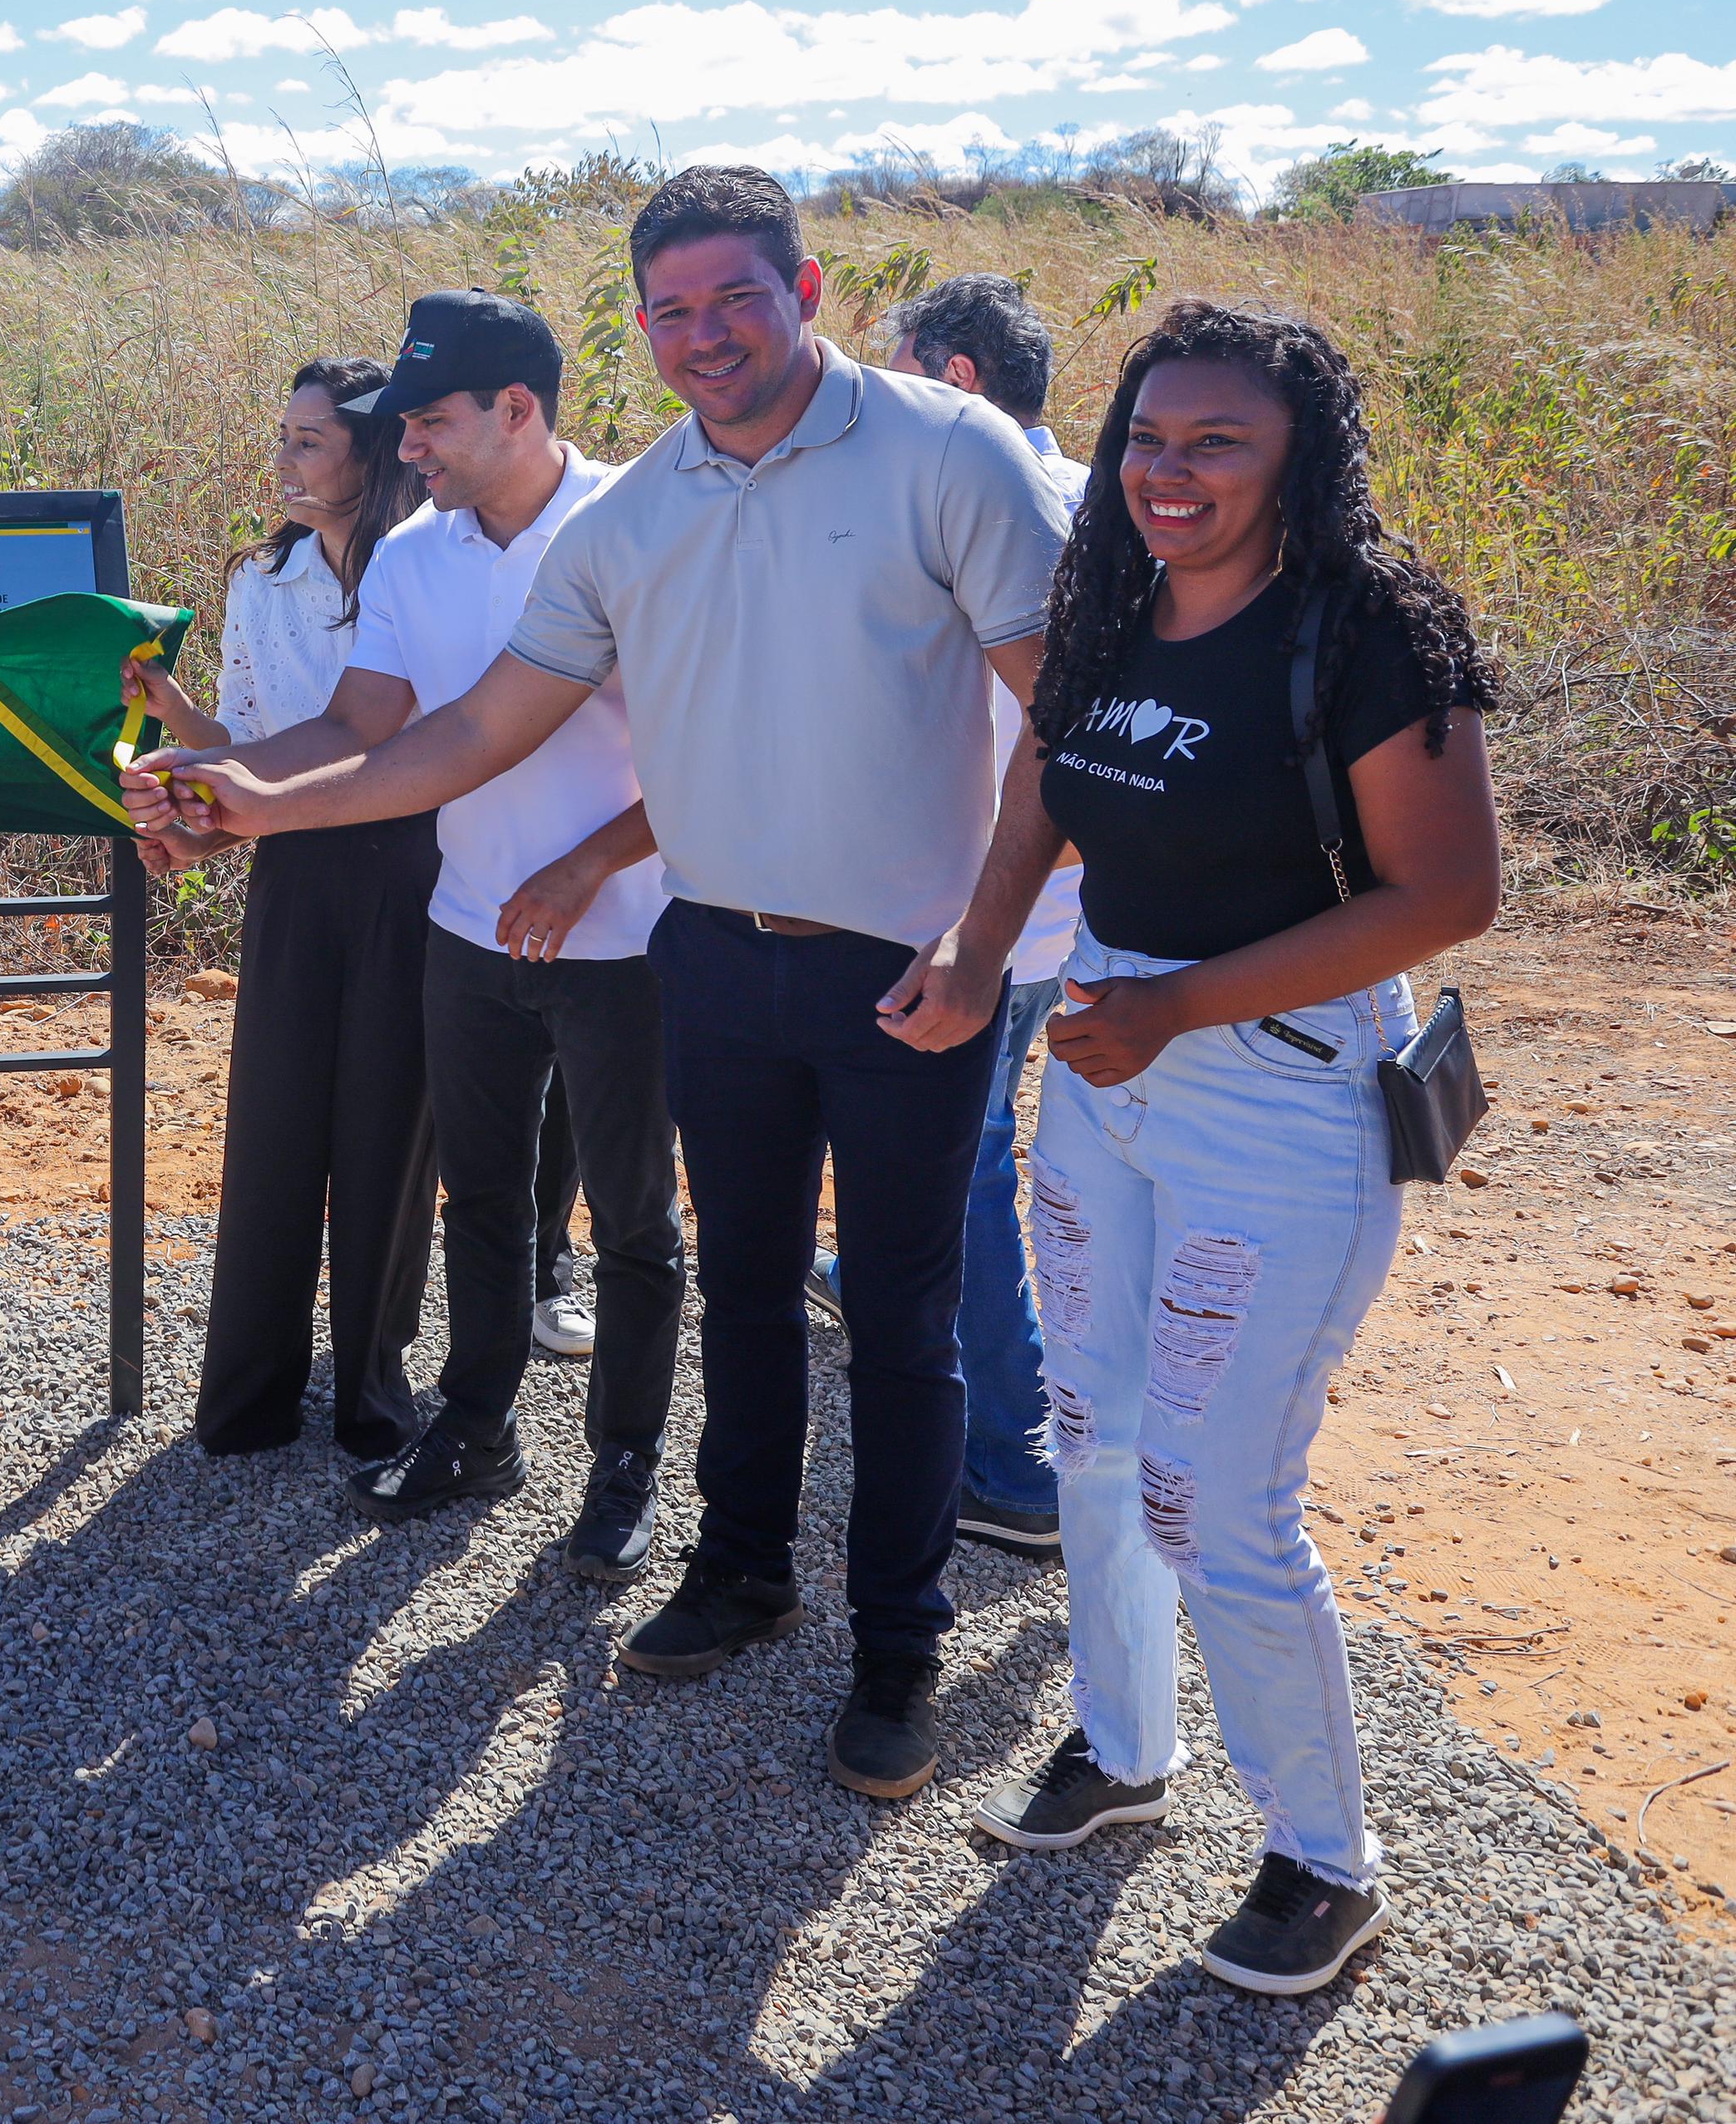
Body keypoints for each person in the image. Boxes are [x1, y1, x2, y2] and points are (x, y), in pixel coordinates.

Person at [126, 170, 1069, 1801]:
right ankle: (741, 1571)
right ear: (638, 326)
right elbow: (468, 732)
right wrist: (249, 798)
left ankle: (896, 1659)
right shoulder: (640, 522)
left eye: (734, 298)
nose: (701, 334)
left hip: (905, 968)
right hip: (714, 951)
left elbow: (1065, 714)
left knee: (907, 1329)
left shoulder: (947, 454)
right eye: (670, 308)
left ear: (810, 286)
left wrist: (982, 943)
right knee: (749, 1290)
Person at [948, 301, 1498, 1995]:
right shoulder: (1107, 601)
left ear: (1295, 458)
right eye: (1147, 439)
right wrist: (976, 958)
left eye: (1218, 443)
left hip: (1273, 1083)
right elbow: (1043, 788)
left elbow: (1446, 894)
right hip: (1108, 1056)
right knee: (1091, 1430)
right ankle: (1123, 1750)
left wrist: (1176, 1006)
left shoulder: (1366, 632)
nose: (1169, 473)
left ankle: (1324, 1859)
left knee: (1218, 1496)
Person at [143, 290, 683, 1570]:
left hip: (625, 939)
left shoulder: (637, 528)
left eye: (432, 424)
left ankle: (625, 1471)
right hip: (464, 927)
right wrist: (229, 802)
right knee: (484, 1201)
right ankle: (478, 1427)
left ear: (516, 409)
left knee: (634, 1221)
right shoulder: (414, 554)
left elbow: (705, 752)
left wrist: (583, 867)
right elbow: (358, 728)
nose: (412, 452)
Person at [806, 271, 1094, 1561]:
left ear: (958, 380)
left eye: (905, 367)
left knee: (964, 1168)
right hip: (1069, 913)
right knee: (979, 1154)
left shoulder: (971, 497)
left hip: (971, 915)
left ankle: (1011, 1458)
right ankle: (871, 1289)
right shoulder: (1107, 496)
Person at [121, 355, 438, 1463]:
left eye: (310, 440)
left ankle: (371, 1394)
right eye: (285, 436)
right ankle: (249, 1397)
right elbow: (250, 742)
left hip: (413, 864)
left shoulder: (428, 569)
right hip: (294, 869)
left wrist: (221, 795)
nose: (285, 459)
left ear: (375, 450)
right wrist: (181, 735)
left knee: (387, 1134)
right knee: (275, 1123)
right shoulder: (261, 580)